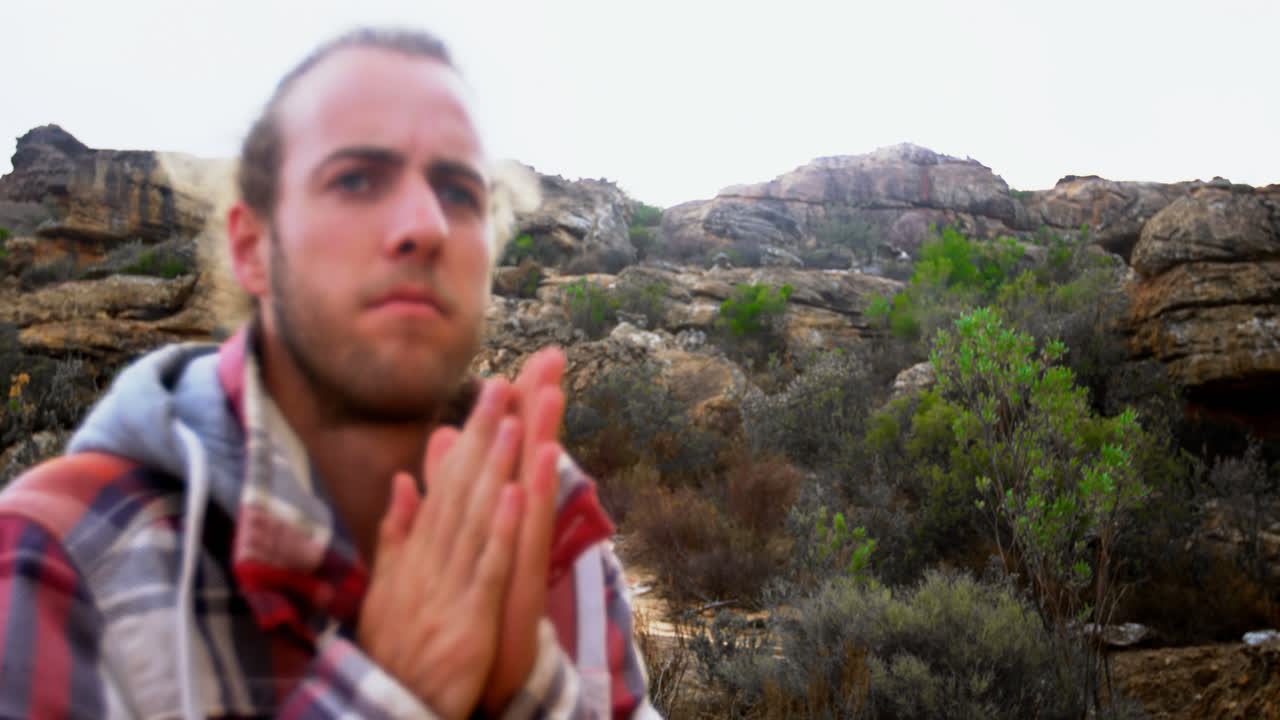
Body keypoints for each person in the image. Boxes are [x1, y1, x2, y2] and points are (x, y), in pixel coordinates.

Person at [0, 27, 657, 719]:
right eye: (356, 179)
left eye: (460, 192)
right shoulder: (64, 559)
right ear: (251, 248)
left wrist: (535, 696)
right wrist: (392, 695)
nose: (427, 223)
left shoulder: (550, 532)